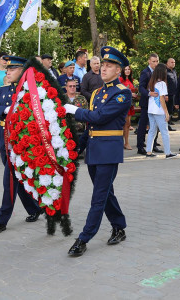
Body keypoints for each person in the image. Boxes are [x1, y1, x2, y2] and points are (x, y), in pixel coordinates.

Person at [63, 46, 131, 256]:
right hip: (94, 151)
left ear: (118, 70)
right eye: (103, 65)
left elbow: (100, 118)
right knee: (106, 192)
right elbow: (92, 128)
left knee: (98, 197)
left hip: (109, 152)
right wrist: (77, 149)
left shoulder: (122, 94)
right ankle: (119, 226)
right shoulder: (97, 93)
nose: (104, 68)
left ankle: (84, 238)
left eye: (109, 66)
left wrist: (75, 110)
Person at [0, 56, 41, 235]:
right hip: (5, 138)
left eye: (12, 69)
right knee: (16, 178)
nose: (7, 72)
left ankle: (1, 220)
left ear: (23, 71)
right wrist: (3, 110)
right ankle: (34, 209)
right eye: (7, 69)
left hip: (20, 141)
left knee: (9, 179)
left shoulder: (29, 91)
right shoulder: (3, 90)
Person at [145, 64, 177, 159]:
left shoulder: (152, 82)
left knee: (151, 131)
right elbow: (162, 99)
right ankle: (168, 153)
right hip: (159, 111)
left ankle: (148, 151)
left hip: (151, 110)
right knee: (164, 131)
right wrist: (166, 112)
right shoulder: (162, 83)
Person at [137, 53, 163, 155]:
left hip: (156, 103)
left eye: (157, 61)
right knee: (143, 125)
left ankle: (154, 144)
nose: (156, 63)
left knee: (155, 124)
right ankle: (140, 146)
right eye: (153, 61)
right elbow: (141, 88)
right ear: (149, 61)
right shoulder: (145, 72)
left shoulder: (159, 73)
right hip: (147, 103)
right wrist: (149, 93)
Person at [119, 65, 137, 150]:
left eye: (128, 69)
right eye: (125, 69)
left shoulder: (130, 80)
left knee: (128, 124)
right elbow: (120, 91)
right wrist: (130, 93)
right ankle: (125, 142)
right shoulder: (120, 80)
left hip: (130, 104)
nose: (127, 71)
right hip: (123, 104)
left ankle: (125, 142)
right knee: (125, 124)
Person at [166, 58, 177, 131]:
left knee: (171, 110)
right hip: (167, 95)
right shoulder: (165, 72)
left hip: (174, 94)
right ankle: (166, 125)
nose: (173, 63)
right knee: (167, 110)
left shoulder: (174, 71)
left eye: (174, 62)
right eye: (171, 62)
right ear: (167, 63)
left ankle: (168, 124)